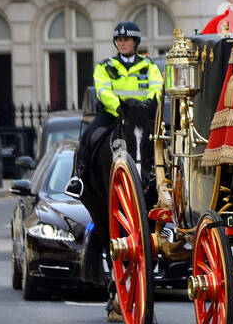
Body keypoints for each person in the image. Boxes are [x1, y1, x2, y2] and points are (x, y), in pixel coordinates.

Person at [65, 21, 163, 198]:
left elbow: (157, 87)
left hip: (142, 115)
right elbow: (103, 91)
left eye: (127, 39)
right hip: (113, 115)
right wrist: (118, 107)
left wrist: (148, 104)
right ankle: (78, 178)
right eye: (119, 39)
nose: (122, 43)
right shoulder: (105, 66)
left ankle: (166, 177)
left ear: (135, 42)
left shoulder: (149, 66)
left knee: (165, 138)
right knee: (89, 136)